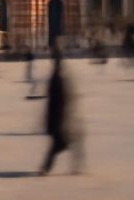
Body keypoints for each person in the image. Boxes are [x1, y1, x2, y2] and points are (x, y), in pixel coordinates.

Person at [38, 46, 85, 176]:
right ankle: (47, 168)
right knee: (63, 144)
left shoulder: (57, 77)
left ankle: (46, 168)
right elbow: (63, 99)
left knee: (62, 144)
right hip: (59, 119)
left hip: (58, 118)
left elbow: (60, 99)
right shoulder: (58, 78)